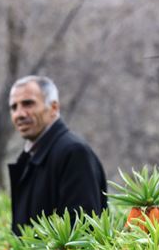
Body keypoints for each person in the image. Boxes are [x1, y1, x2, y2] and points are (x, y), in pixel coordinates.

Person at [7, 75, 107, 235]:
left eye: (28, 104)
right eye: (14, 107)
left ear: (53, 108)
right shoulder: (30, 157)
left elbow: (83, 232)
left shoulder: (73, 153)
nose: (19, 114)